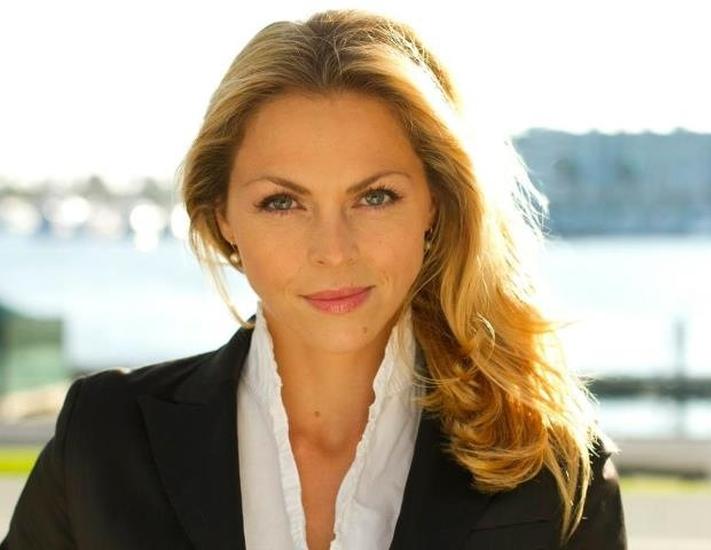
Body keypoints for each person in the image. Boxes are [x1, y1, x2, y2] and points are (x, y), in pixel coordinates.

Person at [0, 8, 626, 550]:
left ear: (435, 205)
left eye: (375, 197)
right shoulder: (105, 439)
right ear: (223, 217)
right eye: (282, 202)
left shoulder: (554, 468)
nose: (333, 251)